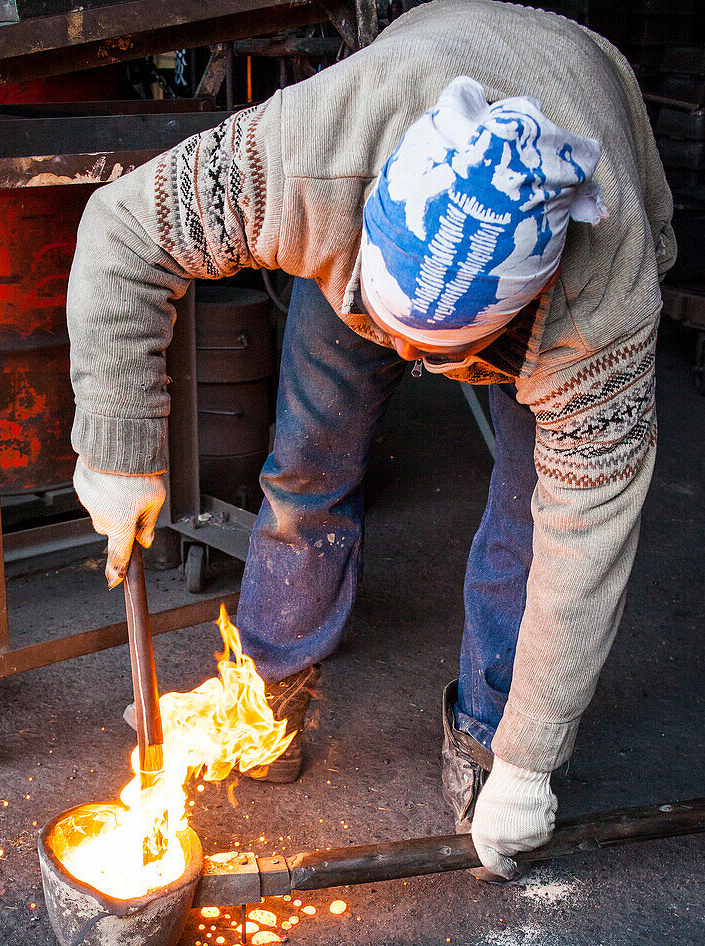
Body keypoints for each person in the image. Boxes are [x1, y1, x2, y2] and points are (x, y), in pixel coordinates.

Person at [67, 0, 674, 880]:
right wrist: (119, 447)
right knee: (311, 451)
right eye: (390, 325)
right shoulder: (313, 162)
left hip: (583, 105)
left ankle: (487, 731)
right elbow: (122, 230)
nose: (406, 362)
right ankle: (267, 685)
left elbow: (582, 540)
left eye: (432, 351)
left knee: (530, 515)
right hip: (383, 158)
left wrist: (531, 758)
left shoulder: (601, 316)